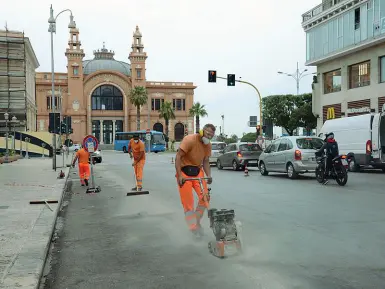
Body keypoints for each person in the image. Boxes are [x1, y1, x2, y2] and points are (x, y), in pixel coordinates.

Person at [175, 123, 215, 238]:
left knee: (205, 197)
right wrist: (179, 175)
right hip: (184, 173)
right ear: (202, 131)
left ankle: (196, 222)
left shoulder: (208, 146)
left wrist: (209, 175)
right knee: (188, 204)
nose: (209, 137)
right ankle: (193, 229)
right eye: (207, 134)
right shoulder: (190, 140)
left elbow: (206, 161)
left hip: (198, 172)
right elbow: (178, 157)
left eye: (211, 135)